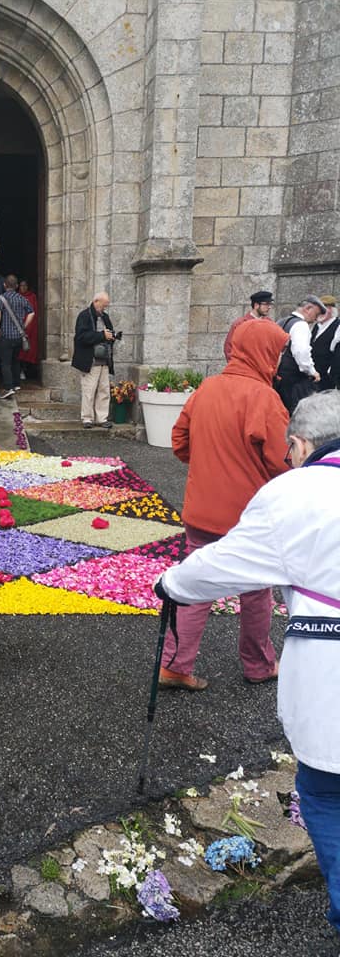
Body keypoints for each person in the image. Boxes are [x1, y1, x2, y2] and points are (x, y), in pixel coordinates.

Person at [157, 390, 340, 943]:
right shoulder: (260, 400)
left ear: (302, 444)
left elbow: (219, 569)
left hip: (332, 680)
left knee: (328, 794)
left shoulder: (296, 493)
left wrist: (172, 583)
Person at [158, 319, 290, 690]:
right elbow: (283, 462)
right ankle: (259, 664)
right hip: (247, 517)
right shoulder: (265, 398)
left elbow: (180, 441)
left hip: (201, 511)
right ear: (264, 353)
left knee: (197, 586)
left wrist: (207, 462)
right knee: (256, 592)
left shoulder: (208, 388)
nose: (278, 361)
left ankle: (175, 664)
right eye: (277, 353)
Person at [71, 291, 117, 429]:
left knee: (104, 391)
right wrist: (102, 335)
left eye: (106, 306)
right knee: (88, 390)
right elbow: (81, 337)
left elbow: (109, 333)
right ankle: (87, 418)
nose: (105, 308)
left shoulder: (105, 317)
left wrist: (112, 336)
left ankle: (102, 418)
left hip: (104, 360)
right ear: (96, 302)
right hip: (89, 361)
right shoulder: (84, 316)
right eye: (103, 305)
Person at [275, 295, 325, 413]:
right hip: (293, 382)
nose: (316, 319)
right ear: (308, 308)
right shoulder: (301, 325)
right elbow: (301, 352)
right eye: (316, 315)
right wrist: (312, 371)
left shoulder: (280, 322)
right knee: (297, 417)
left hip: (278, 378)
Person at [0, 274, 34, 400]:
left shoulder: (1, 298)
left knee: (5, 363)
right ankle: (17, 384)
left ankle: (8, 388)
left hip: (6, 336)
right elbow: (31, 312)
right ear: (16, 286)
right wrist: (24, 326)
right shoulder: (22, 299)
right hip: (18, 336)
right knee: (15, 360)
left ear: (4, 285)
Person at [223, 289, 274, 361]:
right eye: (266, 304)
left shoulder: (270, 323)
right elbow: (229, 348)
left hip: (265, 368)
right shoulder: (240, 323)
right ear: (256, 305)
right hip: (244, 368)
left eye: (270, 304)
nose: (269, 307)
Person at [311, 294, 339, 392]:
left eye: (324, 309)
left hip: (327, 380)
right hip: (312, 377)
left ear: (332, 310)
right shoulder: (316, 326)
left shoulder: (337, 327)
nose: (320, 312)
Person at [18, 279, 39, 380]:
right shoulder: (17, 296)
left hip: (30, 327)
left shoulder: (32, 296)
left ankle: (27, 370)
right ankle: (20, 370)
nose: (23, 287)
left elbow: (34, 312)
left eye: (25, 285)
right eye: (21, 285)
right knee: (19, 351)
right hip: (19, 327)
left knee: (28, 349)